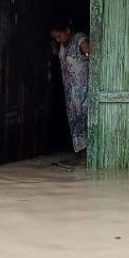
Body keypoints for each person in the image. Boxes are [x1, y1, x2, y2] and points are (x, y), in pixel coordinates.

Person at [49, 19, 91, 162]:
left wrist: (87, 54)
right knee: (74, 123)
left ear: (67, 30)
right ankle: (80, 155)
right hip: (70, 93)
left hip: (83, 91)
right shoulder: (61, 45)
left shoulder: (80, 40)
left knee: (83, 120)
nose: (57, 39)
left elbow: (91, 56)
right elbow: (61, 58)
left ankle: (87, 156)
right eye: (55, 37)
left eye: (59, 36)